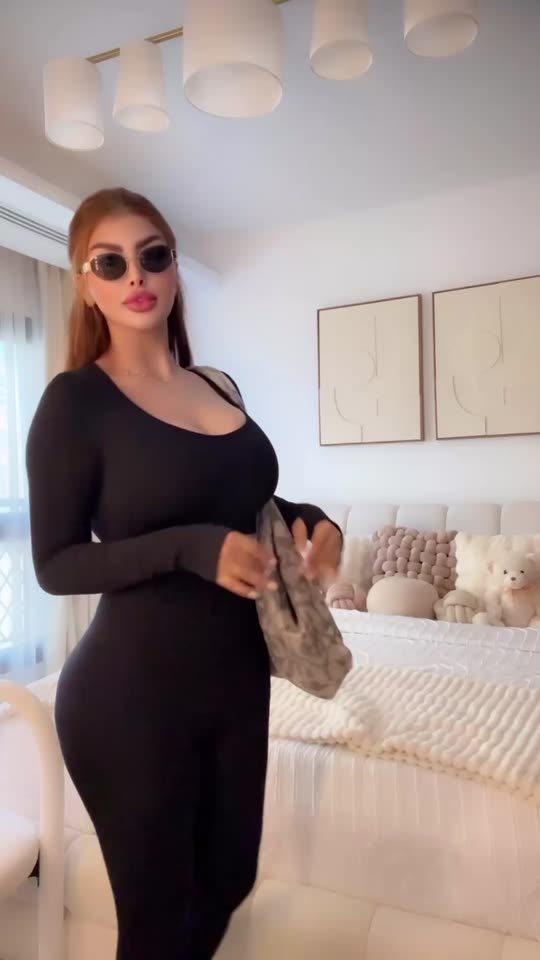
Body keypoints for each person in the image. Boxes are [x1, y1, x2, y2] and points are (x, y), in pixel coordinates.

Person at [26, 187, 342, 960]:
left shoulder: (216, 387)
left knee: (228, 882)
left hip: (236, 680)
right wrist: (191, 547)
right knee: (157, 925)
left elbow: (248, 501)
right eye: (110, 262)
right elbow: (55, 563)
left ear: (173, 269)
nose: (135, 274)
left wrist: (315, 519)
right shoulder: (75, 404)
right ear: (87, 284)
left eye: (153, 255)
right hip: (129, 697)